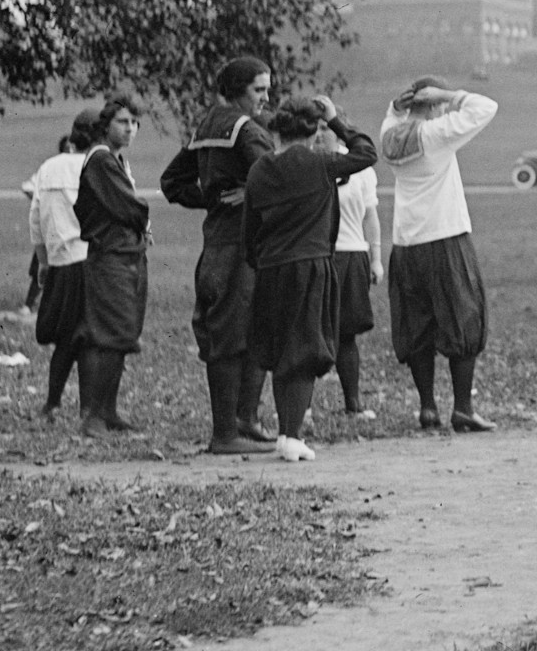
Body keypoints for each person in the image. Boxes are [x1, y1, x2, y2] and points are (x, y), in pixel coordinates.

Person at [242, 98, 378, 460]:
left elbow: (249, 230)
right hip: (311, 266)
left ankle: (288, 433)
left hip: (271, 268)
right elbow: (366, 152)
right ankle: (290, 434)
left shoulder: (258, 170)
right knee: (305, 350)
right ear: (313, 131)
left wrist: (261, 261)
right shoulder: (321, 164)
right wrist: (335, 120)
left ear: (277, 131)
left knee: (282, 348)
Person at [160, 56, 277, 454]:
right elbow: (278, 175)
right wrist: (247, 195)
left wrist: (211, 201)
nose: (266, 97)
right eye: (259, 90)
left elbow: (171, 182)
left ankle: (244, 421)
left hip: (216, 244)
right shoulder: (247, 129)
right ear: (237, 91)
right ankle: (227, 433)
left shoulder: (206, 125)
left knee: (241, 330)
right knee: (235, 334)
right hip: (243, 248)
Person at [380, 78, 500, 431]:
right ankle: (462, 407)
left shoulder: (390, 137)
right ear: (432, 105)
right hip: (445, 237)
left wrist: (395, 106)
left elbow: (391, 119)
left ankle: (427, 407)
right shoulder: (436, 135)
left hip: (406, 242)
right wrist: (449, 96)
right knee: (464, 319)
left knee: (417, 324)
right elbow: (485, 107)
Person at [71, 97, 150, 435]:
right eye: (122, 122)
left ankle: (109, 412)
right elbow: (130, 207)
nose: (129, 128)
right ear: (106, 125)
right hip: (110, 256)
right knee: (110, 334)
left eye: (134, 122)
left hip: (127, 254)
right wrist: (143, 219)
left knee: (122, 334)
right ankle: (94, 417)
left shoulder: (117, 160)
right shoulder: (101, 160)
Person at [25, 109, 101, 417]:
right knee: (89, 337)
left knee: (64, 337)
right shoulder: (101, 165)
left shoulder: (49, 167)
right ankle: (88, 408)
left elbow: (35, 219)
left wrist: (44, 262)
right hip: (92, 261)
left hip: (60, 262)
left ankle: (52, 402)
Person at [323, 121, 385, 418]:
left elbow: (370, 217)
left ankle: (353, 403)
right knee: (315, 331)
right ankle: (302, 407)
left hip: (351, 255)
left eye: (326, 127)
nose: (320, 133)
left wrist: (376, 258)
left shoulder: (361, 170)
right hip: (319, 256)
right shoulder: (307, 164)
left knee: (346, 334)